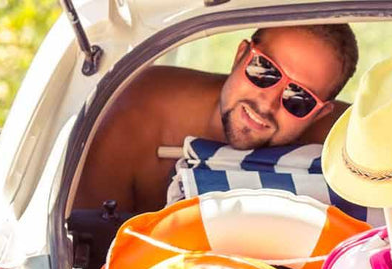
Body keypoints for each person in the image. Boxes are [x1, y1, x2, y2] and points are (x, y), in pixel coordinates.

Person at [75, 25, 358, 215]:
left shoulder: (351, 145)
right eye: (264, 71)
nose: (267, 103)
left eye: (299, 98)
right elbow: (87, 243)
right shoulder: (136, 112)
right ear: (240, 55)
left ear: (321, 113)